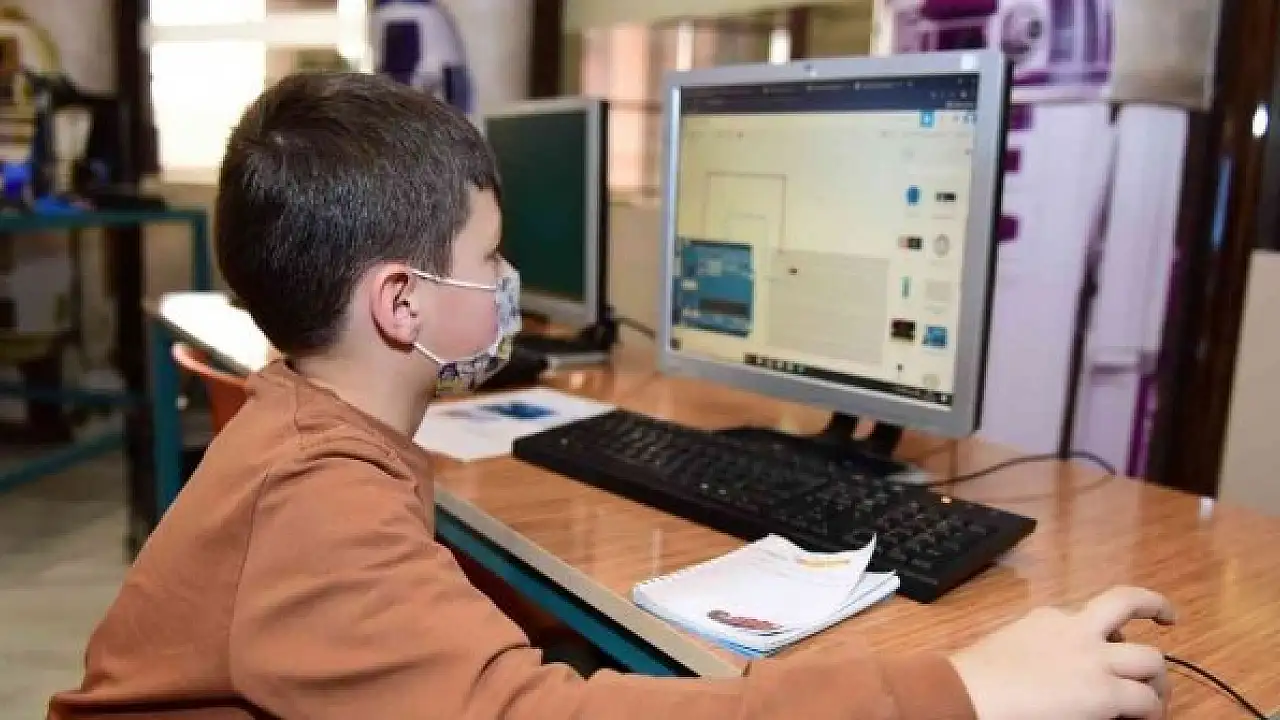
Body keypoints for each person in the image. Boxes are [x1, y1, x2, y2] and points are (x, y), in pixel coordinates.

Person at [49, 72, 1175, 720]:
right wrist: (967, 690)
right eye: (487, 257)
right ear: (401, 302)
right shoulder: (315, 501)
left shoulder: (308, 425)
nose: (505, 281)